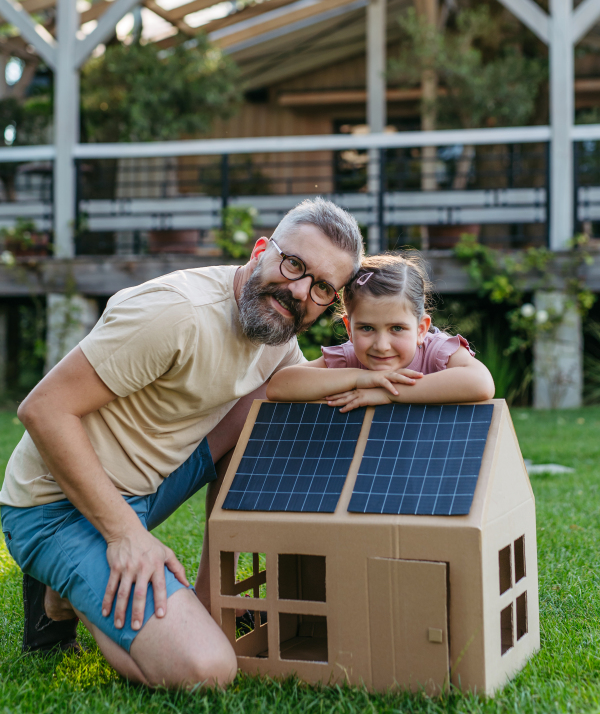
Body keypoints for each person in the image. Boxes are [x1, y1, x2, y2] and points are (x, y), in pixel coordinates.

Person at [0, 198, 363, 689]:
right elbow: (42, 409)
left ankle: (208, 600)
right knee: (205, 670)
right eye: (294, 263)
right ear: (261, 250)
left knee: (271, 406)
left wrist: (404, 362)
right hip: (57, 504)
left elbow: (317, 381)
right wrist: (127, 535)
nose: (299, 291)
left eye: (322, 287)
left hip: (154, 482)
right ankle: (60, 595)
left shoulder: (276, 331)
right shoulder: (176, 313)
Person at [268, 252, 495, 410]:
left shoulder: (436, 351)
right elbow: (280, 386)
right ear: (349, 328)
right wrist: (364, 378)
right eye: (366, 328)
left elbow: (480, 383)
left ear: (421, 329)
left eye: (397, 328)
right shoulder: (350, 358)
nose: (381, 345)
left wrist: (388, 393)